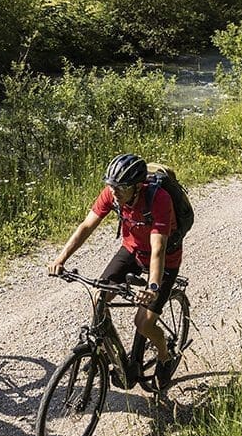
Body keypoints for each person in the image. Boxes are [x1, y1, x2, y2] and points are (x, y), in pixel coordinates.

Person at [46, 153, 180, 383]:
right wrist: (61, 259)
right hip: (132, 250)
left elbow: (158, 248)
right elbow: (86, 226)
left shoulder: (159, 199)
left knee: (144, 322)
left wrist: (153, 287)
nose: (114, 192)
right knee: (100, 295)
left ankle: (165, 355)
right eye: (111, 186)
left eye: (120, 188)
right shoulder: (113, 194)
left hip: (164, 259)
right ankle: (107, 351)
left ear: (137, 187)